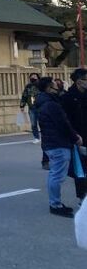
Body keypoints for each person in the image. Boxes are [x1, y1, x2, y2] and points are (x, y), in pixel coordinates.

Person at [36, 76, 83, 217]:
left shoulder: (44, 102)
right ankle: (55, 204)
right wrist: (75, 137)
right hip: (57, 143)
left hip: (51, 143)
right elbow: (63, 123)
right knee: (57, 175)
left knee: (54, 174)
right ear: (49, 88)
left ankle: (55, 202)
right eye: (55, 85)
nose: (58, 86)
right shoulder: (51, 105)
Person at [61, 68, 87, 202]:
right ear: (78, 81)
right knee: (80, 169)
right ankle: (82, 197)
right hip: (78, 137)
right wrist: (74, 136)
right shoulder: (68, 97)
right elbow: (65, 120)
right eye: (85, 79)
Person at [21, 72, 40, 143]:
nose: (33, 78)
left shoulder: (40, 85)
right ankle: (36, 137)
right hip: (32, 107)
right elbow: (24, 95)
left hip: (41, 107)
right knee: (33, 123)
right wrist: (22, 105)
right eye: (32, 77)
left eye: (35, 77)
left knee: (43, 122)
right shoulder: (28, 86)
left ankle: (45, 136)